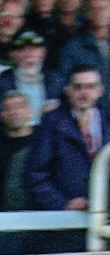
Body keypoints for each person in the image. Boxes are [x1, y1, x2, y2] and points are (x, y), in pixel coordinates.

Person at [25, 64, 106, 210]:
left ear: (100, 90)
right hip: (66, 219)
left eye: (90, 86)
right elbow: (35, 174)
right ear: (67, 90)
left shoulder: (107, 121)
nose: (84, 93)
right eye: (78, 87)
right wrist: (63, 204)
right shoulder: (51, 123)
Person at [0, 30, 61, 127]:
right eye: (22, 50)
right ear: (12, 55)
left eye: (34, 49)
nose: (29, 55)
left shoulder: (56, 80)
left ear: (43, 53)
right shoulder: (2, 82)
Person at [58, 0, 110, 78]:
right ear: (87, 13)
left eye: (103, 9)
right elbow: (63, 80)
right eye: (94, 9)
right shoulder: (73, 47)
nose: (99, 13)